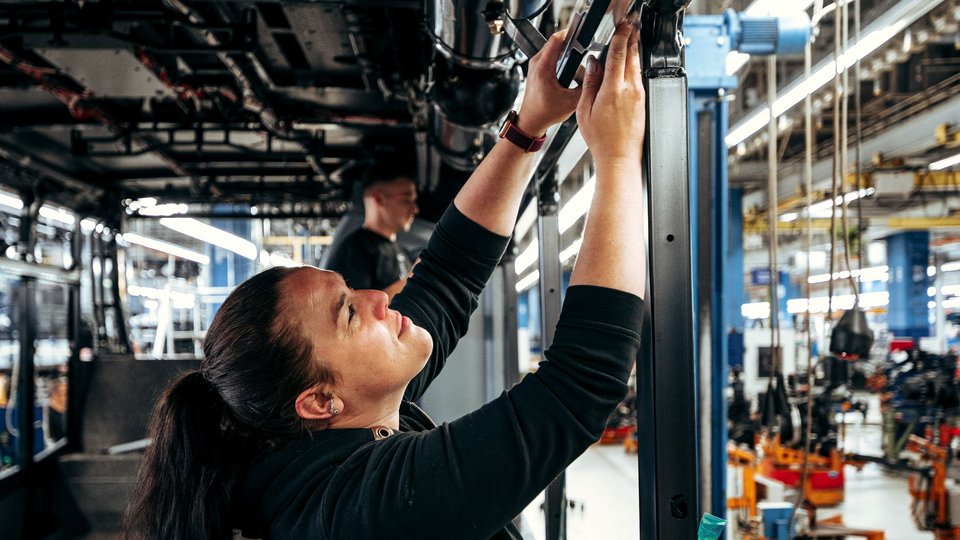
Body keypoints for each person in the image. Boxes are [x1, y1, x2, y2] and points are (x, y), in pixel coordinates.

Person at [124, 17, 646, 540]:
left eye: (350, 293)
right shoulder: (362, 513)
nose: (377, 297)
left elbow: (448, 273)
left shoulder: (335, 421)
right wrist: (619, 157)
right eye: (349, 312)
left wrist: (529, 123)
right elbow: (580, 384)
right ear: (319, 401)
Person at [324, 165, 419, 299]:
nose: (415, 209)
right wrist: (414, 278)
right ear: (378, 199)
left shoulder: (396, 248)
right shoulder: (355, 251)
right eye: (406, 199)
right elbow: (356, 308)